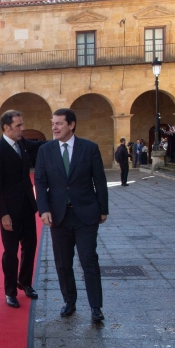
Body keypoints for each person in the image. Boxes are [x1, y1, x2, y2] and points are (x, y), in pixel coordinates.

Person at [34, 108, 109, 322]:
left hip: (86, 214)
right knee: (63, 262)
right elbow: (40, 182)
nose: (54, 127)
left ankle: (95, 306)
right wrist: (44, 209)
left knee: (88, 261)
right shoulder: (45, 151)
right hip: (59, 216)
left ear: (71, 125)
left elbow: (100, 181)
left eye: (59, 123)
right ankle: (70, 301)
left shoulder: (89, 148)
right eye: (53, 123)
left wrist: (103, 209)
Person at [0, 110, 43, 309]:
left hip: (27, 206)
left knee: (30, 247)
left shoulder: (22, 144)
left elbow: (39, 146)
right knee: (10, 253)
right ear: (6, 128)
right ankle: (10, 291)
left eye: (22, 124)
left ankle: (25, 282)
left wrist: (62, 141)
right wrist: (3, 214)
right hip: (10, 212)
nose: (22, 128)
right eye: (18, 126)